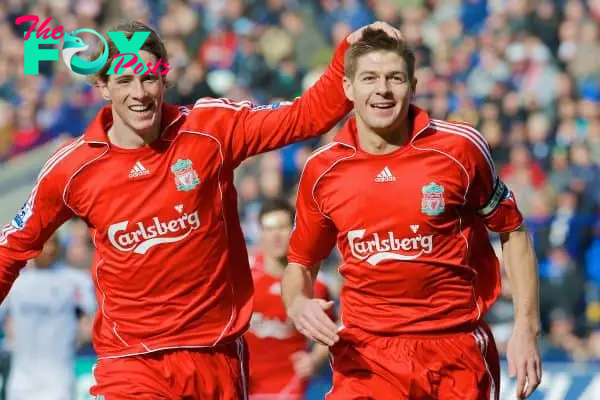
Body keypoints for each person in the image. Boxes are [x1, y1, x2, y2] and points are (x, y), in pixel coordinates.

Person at [0, 19, 403, 399]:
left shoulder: (210, 129)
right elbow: (12, 247)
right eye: (124, 80)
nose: (139, 93)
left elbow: (303, 117)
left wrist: (346, 55)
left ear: (164, 78)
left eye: (149, 78)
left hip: (216, 357)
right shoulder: (73, 168)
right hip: (132, 365)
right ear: (104, 86)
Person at [282, 28, 542, 400]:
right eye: (369, 78)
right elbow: (300, 263)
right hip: (367, 356)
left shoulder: (459, 148)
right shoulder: (323, 169)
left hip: (454, 349)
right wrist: (297, 302)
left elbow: (513, 231)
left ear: (413, 85)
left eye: (395, 78)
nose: (383, 90)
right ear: (348, 88)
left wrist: (525, 327)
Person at [246, 198, 334, 399]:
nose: (276, 236)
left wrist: (314, 359)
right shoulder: (242, 280)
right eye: (269, 229)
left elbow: (330, 331)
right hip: (245, 386)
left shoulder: (315, 284)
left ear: (294, 231)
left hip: (292, 388)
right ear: (260, 233)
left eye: (282, 227)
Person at [1, 234, 95, 400]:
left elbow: (93, 322)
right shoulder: (14, 281)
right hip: (20, 384)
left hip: (59, 384)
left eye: (54, 243)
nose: (49, 249)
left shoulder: (76, 280)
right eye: (44, 244)